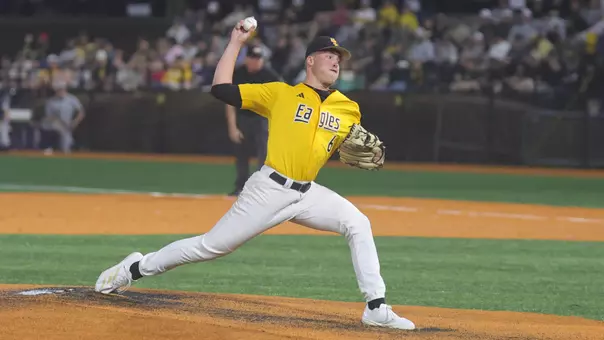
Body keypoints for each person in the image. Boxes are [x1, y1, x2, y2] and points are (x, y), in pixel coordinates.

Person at [95, 20, 416, 331]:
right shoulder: (280, 94)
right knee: (210, 247)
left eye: (339, 58)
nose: (336, 61)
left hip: (307, 193)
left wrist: (358, 149)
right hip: (269, 189)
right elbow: (221, 89)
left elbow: (348, 143)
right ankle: (135, 267)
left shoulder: (348, 107)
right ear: (310, 60)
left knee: (357, 223)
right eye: (329, 55)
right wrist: (236, 42)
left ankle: (376, 307)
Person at [227, 45, 281, 196]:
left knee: (264, 155)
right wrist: (232, 126)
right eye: (253, 58)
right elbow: (229, 102)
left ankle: (260, 189)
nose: (256, 62)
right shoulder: (238, 74)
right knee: (241, 154)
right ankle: (240, 187)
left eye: (258, 59)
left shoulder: (270, 75)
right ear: (247, 59)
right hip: (243, 118)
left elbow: (281, 100)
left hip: (262, 118)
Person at [40, 81, 85, 154]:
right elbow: (49, 117)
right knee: (63, 130)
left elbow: (81, 112)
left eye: (62, 89)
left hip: (70, 123)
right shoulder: (51, 102)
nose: (61, 91)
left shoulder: (72, 99)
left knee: (66, 135)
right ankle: (52, 147)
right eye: (59, 90)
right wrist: (61, 123)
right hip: (55, 123)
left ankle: (65, 149)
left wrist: (75, 122)